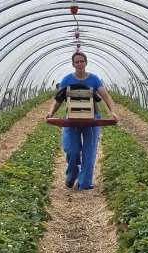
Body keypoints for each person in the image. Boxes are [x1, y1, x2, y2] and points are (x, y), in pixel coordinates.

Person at [46, 51, 119, 190]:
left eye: (82, 61)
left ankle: (85, 184)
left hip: (91, 118)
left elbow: (106, 97)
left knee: (89, 152)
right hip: (72, 118)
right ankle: (71, 176)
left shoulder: (94, 79)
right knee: (72, 150)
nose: (79, 64)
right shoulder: (67, 79)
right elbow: (58, 99)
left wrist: (113, 112)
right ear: (73, 64)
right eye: (77, 62)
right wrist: (51, 113)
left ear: (86, 63)